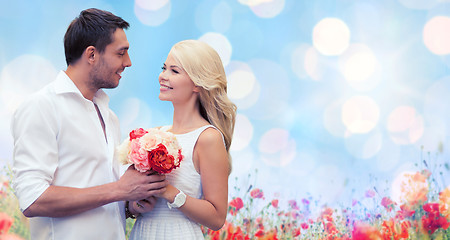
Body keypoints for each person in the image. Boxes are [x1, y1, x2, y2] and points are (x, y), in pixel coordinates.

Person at [10, 8, 167, 240]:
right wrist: (119, 190)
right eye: (121, 53)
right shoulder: (42, 107)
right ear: (91, 55)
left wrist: (129, 204)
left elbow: (102, 193)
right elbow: (33, 200)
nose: (129, 62)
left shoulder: (108, 115)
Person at [128, 40, 237, 239]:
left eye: (174, 71)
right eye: (164, 68)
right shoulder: (155, 135)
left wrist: (171, 193)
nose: (163, 76)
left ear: (197, 83)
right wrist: (137, 204)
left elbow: (217, 218)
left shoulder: (208, 138)